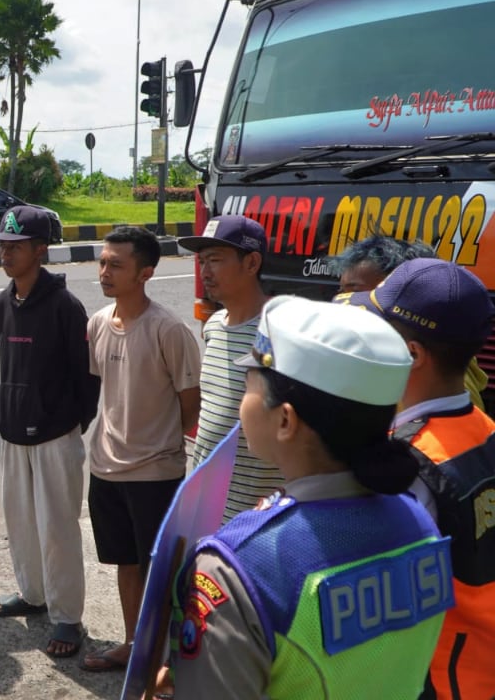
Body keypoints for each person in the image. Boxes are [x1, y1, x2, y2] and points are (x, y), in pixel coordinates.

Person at [170, 296, 450, 699]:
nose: (242, 400)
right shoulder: (417, 519)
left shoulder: (240, 565)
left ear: (285, 420)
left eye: (249, 385)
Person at [342, 258, 495, 700]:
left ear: (411, 355)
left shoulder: (408, 464)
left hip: (437, 679)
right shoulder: (483, 427)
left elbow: (375, 603)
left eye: (377, 330)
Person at [82, 226, 203, 673]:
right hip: (105, 467)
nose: (105, 272)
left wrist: (158, 441)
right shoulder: (97, 323)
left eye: (116, 265)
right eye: (102, 262)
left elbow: (190, 405)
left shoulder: (168, 330)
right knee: (125, 563)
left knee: (161, 569)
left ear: (145, 273)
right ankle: (135, 646)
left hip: (155, 473)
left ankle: (167, 659)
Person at [0, 206, 100, 658]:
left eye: (15, 247)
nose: (6, 255)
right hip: (12, 432)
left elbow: (86, 377)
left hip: (55, 436)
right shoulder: (3, 303)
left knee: (58, 529)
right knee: (20, 521)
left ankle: (67, 616)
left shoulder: (65, 307)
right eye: (2, 247)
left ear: (40, 250)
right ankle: (32, 594)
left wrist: (70, 425)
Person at [177, 216, 283, 521]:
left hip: (255, 517)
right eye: (201, 261)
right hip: (205, 511)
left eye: (215, 260)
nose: (205, 272)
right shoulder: (213, 325)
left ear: (251, 263)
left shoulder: (278, 330)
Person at [335, 234, 487, 411]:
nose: (343, 301)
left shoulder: (438, 384)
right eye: (342, 291)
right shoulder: (377, 361)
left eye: (356, 292)